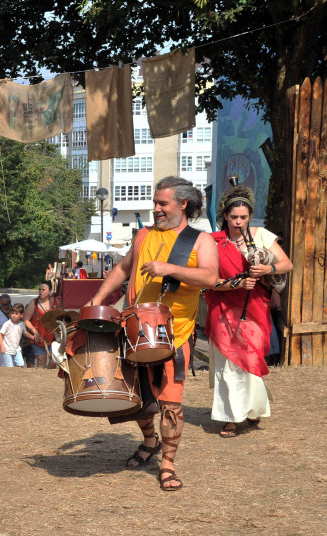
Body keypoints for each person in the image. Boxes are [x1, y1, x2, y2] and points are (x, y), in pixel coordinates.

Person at [89, 177, 218, 491]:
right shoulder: (143, 235)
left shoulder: (201, 241)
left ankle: (168, 465)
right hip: (132, 331)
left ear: (182, 204)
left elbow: (211, 277)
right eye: (156, 203)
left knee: (170, 404)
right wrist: (97, 299)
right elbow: (122, 268)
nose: (156, 209)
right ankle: (150, 440)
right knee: (135, 400)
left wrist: (170, 268)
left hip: (173, 335)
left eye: (163, 204)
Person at [205, 186, 292, 437]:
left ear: (250, 216)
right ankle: (231, 417)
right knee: (228, 362)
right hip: (223, 308)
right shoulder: (214, 241)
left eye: (243, 217)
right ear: (225, 216)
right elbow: (208, 280)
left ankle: (252, 408)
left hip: (255, 308)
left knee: (251, 359)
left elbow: (287, 264)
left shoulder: (262, 235)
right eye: (234, 217)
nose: (238, 222)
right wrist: (237, 283)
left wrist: (267, 270)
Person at [25, 280, 59, 369]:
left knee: (54, 360)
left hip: (53, 337)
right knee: (41, 361)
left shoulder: (56, 302)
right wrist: (34, 331)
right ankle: (39, 381)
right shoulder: (34, 303)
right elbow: (25, 320)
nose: (40, 292)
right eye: (39, 289)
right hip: (39, 338)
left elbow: (63, 316)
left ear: (50, 291)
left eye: (43, 290)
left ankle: (48, 380)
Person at [0, 294, 13, 365]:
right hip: (0, 338)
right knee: (3, 356)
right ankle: (3, 371)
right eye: (3, 304)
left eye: (8, 304)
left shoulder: (15, 309)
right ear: (0, 303)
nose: (6, 306)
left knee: (13, 357)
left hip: (13, 338)